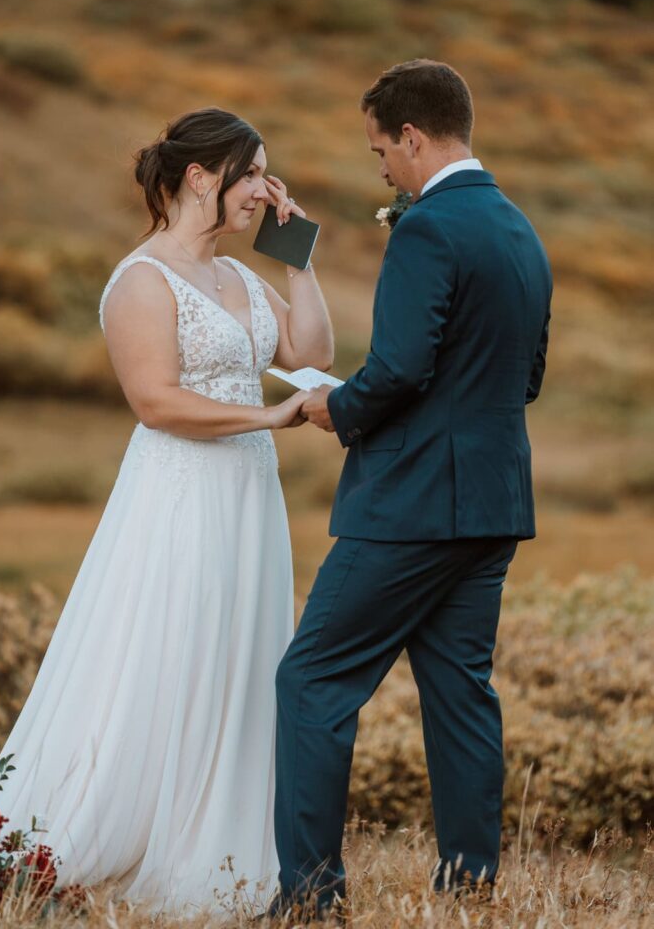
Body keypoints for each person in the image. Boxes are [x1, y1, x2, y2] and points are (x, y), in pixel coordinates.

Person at [0, 108, 332, 918]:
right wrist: (269, 416)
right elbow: (155, 402)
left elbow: (311, 355)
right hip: (181, 494)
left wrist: (298, 257)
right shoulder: (140, 280)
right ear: (200, 177)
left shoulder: (238, 277)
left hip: (249, 497)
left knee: (240, 652)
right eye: (251, 174)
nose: (264, 190)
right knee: (172, 646)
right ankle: (99, 838)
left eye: (266, 175)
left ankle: (222, 834)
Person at [269, 59, 553, 921]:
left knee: (313, 680)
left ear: (412, 136)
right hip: (492, 504)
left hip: (412, 507)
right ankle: (469, 888)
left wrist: (336, 407)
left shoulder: (427, 228)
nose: (382, 170)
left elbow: (396, 370)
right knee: (461, 693)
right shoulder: (517, 228)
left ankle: (311, 898)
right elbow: (526, 377)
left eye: (381, 152)